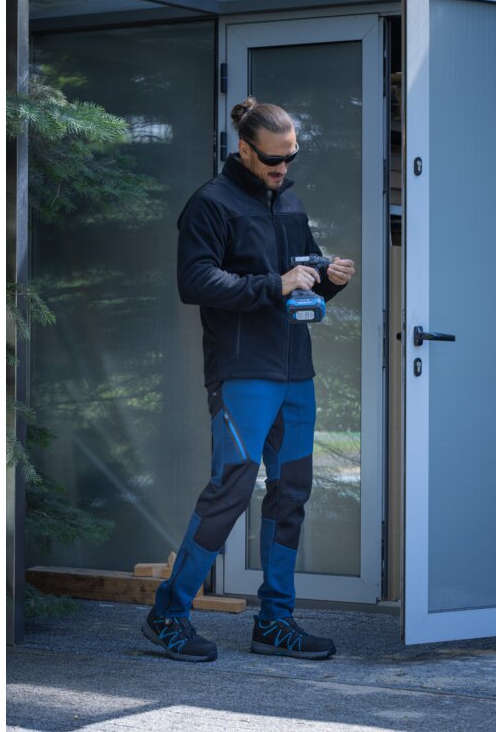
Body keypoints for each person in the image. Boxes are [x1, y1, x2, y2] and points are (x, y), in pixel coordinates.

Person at [141, 97, 356, 663]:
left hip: (295, 371)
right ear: (244, 149)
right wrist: (274, 284)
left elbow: (300, 280)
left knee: (292, 492)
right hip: (242, 373)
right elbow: (195, 281)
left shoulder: (290, 202)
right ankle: (168, 614)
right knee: (230, 491)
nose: (283, 169)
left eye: (291, 158)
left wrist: (328, 277)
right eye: (273, 159)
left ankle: (275, 622)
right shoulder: (211, 204)